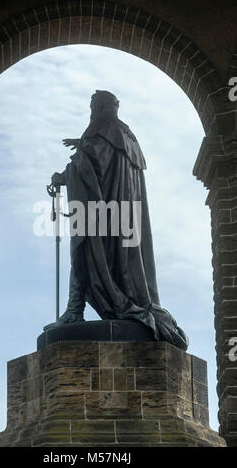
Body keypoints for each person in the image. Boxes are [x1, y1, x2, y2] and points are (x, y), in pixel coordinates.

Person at [46, 90, 188, 351]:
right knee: (110, 262)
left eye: (92, 105)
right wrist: (82, 143)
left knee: (85, 253)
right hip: (123, 219)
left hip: (101, 214)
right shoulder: (126, 135)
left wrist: (62, 176)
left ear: (99, 107)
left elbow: (90, 164)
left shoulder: (99, 129)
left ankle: (74, 311)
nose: (91, 111)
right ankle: (74, 309)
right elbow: (105, 157)